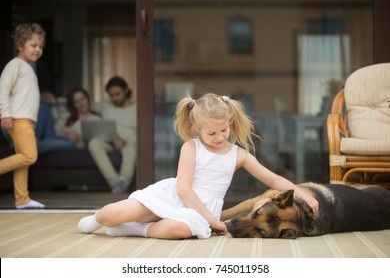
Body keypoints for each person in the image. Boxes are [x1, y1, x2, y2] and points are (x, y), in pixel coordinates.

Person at [78, 93, 319, 239]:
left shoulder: (239, 155)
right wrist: (213, 222)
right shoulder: (191, 147)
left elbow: (274, 180)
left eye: (224, 130)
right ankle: (98, 218)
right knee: (113, 214)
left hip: (202, 210)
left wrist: (301, 192)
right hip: (176, 196)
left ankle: (132, 230)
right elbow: (183, 190)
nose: (220, 136)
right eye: (212, 132)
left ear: (230, 123)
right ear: (197, 129)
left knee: (179, 230)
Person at [0, 23, 46, 209]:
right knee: (29, 156)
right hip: (18, 119)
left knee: (23, 160)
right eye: (33, 46)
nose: (37, 50)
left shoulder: (27, 67)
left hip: (26, 120)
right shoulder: (15, 65)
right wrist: (5, 114)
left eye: (40, 46)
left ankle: (22, 199)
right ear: (20, 45)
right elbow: (3, 89)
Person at [88, 76, 136, 194]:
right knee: (93, 143)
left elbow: (142, 131)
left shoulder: (137, 108)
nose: (114, 98)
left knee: (131, 147)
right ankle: (117, 184)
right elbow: (84, 103)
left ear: (126, 91)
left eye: (117, 94)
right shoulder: (105, 106)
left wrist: (124, 139)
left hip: (129, 142)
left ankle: (123, 181)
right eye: (111, 95)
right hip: (109, 140)